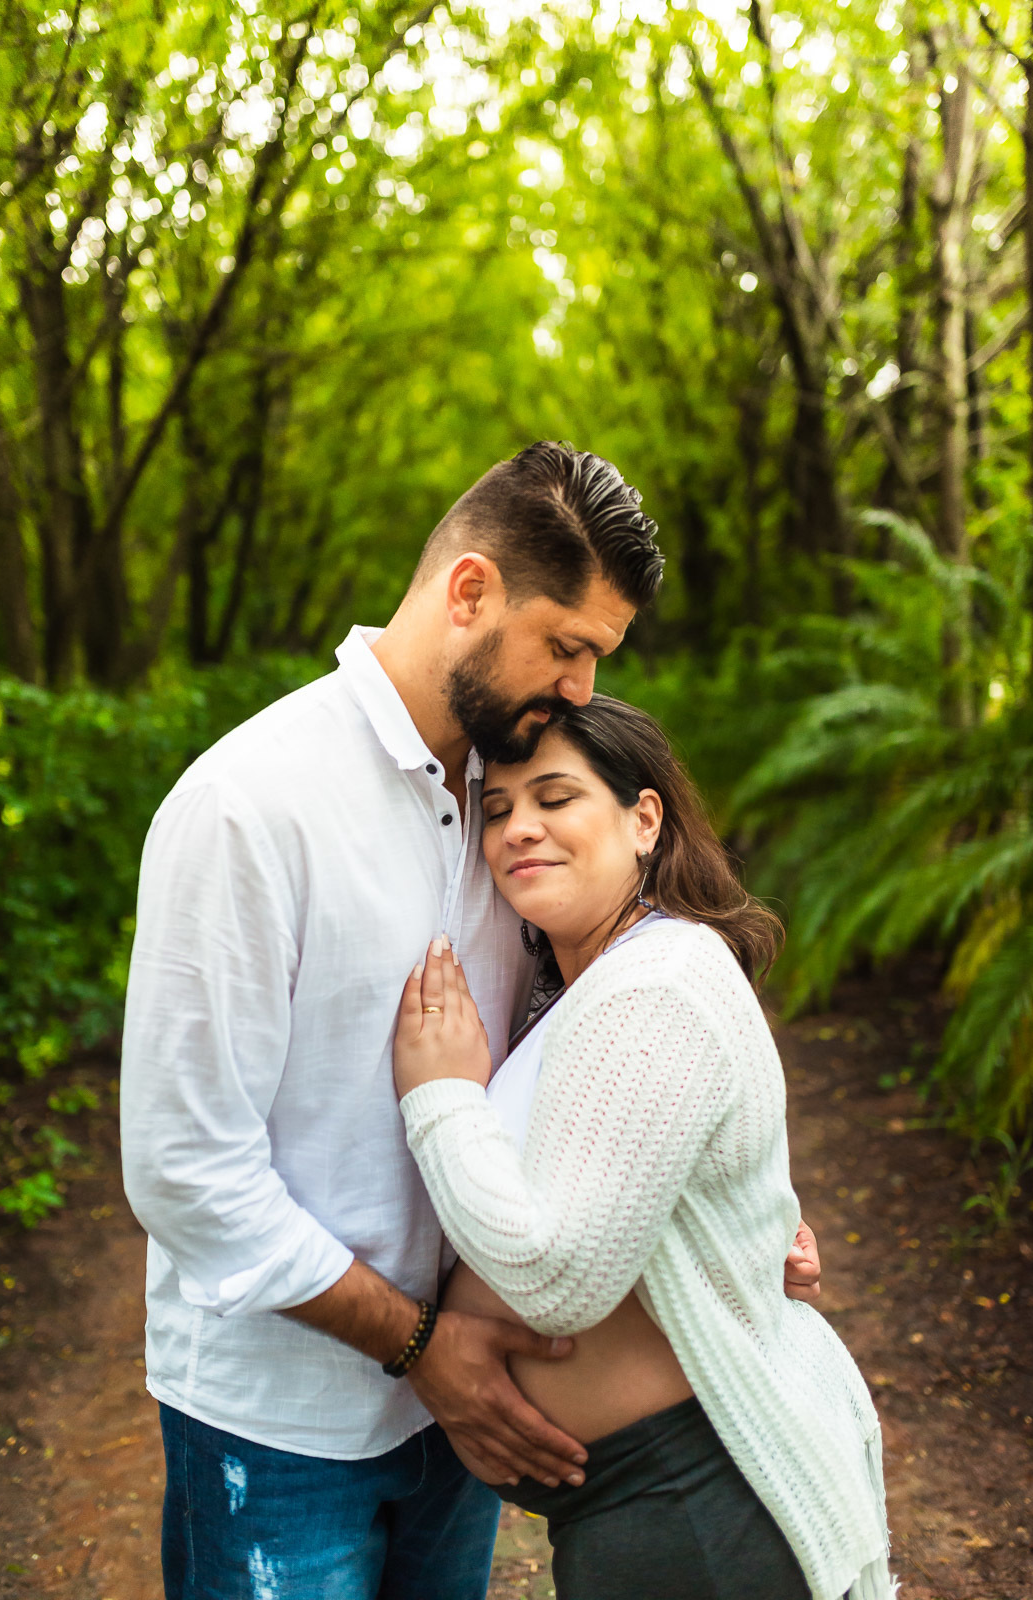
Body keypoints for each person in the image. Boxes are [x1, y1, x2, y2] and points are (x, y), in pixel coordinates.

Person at [120, 441, 822, 1600]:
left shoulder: (511, 814)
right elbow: (186, 1169)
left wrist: (727, 1227)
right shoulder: (249, 807)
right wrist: (414, 1344)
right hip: (280, 1426)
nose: (585, 690)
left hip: (465, 1419)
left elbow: (598, 1064)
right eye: (570, 647)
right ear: (469, 592)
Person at [394, 695, 894, 1600]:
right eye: (497, 808)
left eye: (555, 797)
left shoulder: (656, 982)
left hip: (693, 1498)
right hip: (655, 1497)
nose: (518, 829)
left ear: (644, 818)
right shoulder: (600, 981)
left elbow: (559, 1280)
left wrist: (437, 1097)